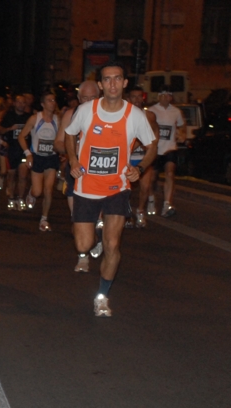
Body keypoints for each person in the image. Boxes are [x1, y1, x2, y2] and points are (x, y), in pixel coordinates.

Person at [65, 61, 156, 317]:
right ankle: (94, 231)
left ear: (125, 83)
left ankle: (102, 296)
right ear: (101, 84)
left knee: (113, 245)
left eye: (118, 79)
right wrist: (73, 160)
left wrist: (140, 168)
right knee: (83, 244)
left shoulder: (134, 115)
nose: (113, 84)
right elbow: (70, 134)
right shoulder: (86, 110)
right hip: (85, 187)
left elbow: (152, 146)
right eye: (108, 79)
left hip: (118, 188)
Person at [54, 80, 100, 271]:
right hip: (75, 171)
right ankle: (82, 257)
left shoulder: (107, 116)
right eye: (85, 98)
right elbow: (58, 143)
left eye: (93, 98)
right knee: (77, 216)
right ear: (79, 99)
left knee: (96, 218)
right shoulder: (71, 115)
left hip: (99, 172)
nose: (89, 101)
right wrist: (73, 151)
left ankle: (95, 237)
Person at [19, 92, 60, 230]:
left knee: (48, 190)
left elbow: (62, 139)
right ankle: (32, 193)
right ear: (43, 104)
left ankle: (44, 219)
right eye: (49, 100)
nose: (52, 102)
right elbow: (21, 136)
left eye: (54, 100)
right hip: (37, 157)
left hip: (52, 157)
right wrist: (28, 154)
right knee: (38, 192)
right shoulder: (34, 119)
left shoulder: (58, 120)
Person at [148, 85, 186, 217]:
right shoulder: (152, 111)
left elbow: (182, 126)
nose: (166, 98)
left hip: (170, 148)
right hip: (155, 149)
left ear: (171, 97)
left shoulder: (176, 112)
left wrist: (182, 134)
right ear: (159, 96)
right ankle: (151, 199)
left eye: (168, 95)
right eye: (163, 95)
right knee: (152, 177)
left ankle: (167, 204)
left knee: (170, 173)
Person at [0, 94, 31, 210]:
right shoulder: (8, 116)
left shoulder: (28, 117)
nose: (21, 105)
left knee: (23, 176)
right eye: (19, 102)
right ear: (14, 103)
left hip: (23, 150)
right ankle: (11, 197)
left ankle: (20, 198)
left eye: (23, 102)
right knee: (11, 176)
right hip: (11, 150)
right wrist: (10, 129)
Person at [128, 86, 159, 227]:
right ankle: (127, 213)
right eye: (134, 96)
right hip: (127, 158)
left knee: (145, 186)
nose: (137, 99)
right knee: (125, 188)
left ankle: (140, 210)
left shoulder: (150, 116)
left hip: (143, 157)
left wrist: (149, 147)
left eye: (139, 96)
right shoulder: (123, 115)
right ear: (128, 98)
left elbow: (154, 137)